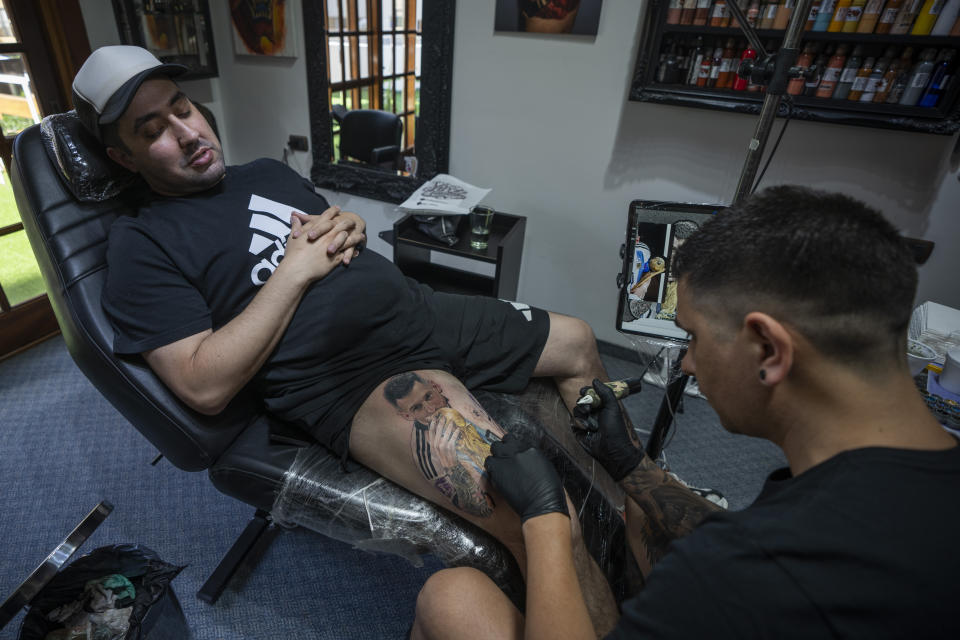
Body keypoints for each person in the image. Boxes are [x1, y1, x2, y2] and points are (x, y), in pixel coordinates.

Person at [71, 45, 619, 630]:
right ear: (123, 158)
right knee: (547, 522)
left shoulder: (265, 172)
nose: (185, 133)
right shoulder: (141, 245)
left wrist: (351, 228)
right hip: (365, 377)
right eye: (152, 129)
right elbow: (203, 385)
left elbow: (335, 235)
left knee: (580, 341)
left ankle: (635, 507)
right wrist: (294, 271)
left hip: (424, 311)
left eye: (182, 108)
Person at [411, 185, 960, 639]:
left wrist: (547, 520)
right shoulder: (903, 488)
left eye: (693, 337)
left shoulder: (743, 579)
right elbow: (719, 534)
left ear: (768, 350)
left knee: (451, 599)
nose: (689, 364)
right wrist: (631, 466)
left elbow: (730, 560)